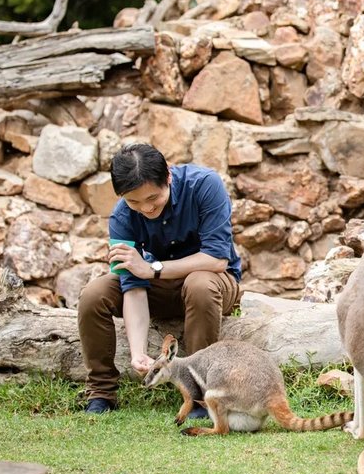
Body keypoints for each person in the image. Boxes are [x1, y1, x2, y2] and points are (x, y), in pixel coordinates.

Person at [78, 143, 242, 415]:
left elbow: (216, 259)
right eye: (134, 202)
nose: (146, 208)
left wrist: (150, 269)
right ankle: (101, 393)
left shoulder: (204, 185)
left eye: (153, 198)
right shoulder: (121, 215)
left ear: (168, 177)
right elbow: (133, 286)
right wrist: (138, 352)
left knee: (199, 283)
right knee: (95, 293)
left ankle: (202, 395)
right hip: (157, 291)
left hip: (213, 285)